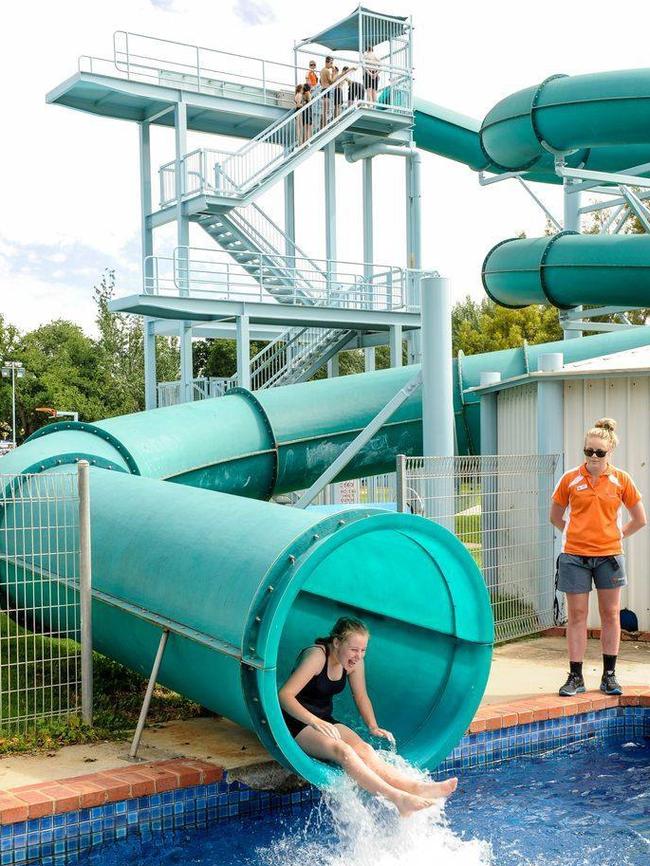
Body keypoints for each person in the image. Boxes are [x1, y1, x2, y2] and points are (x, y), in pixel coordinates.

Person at [278, 616, 458, 818]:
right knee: (343, 751)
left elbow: (361, 696)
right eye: (354, 649)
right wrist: (314, 721)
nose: (358, 655)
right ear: (336, 642)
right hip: (296, 722)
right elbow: (285, 695)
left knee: (365, 749)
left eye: (363, 651)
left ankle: (417, 788)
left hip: (323, 720)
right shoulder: (317, 657)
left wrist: (372, 725)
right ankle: (398, 799)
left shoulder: (353, 662)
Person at [550, 418, 647, 698]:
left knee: (610, 615)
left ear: (610, 452)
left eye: (599, 452)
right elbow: (555, 516)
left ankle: (609, 676)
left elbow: (640, 519)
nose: (593, 457)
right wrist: (576, 534)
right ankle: (575, 676)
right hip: (574, 557)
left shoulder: (622, 480)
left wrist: (614, 536)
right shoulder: (570, 479)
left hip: (609, 559)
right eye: (588, 451)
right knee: (578, 616)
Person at [319, 56, 335, 128]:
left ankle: (323, 125)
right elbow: (331, 81)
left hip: (323, 89)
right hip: (326, 90)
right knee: (326, 110)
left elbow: (321, 81)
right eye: (331, 63)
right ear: (327, 62)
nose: (332, 65)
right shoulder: (327, 71)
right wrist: (334, 73)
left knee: (324, 110)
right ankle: (324, 126)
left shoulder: (322, 70)